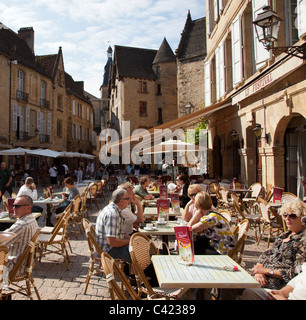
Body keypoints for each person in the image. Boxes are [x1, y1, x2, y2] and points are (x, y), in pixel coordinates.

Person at [241, 198, 306, 299]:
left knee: (243, 289)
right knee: (227, 284)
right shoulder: (284, 235)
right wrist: (259, 271)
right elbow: (265, 255)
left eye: (292, 216)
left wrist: (266, 271)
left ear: (302, 218)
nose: (287, 218)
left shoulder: (303, 240)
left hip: (276, 283)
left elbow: (297, 272)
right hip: (260, 275)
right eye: (285, 215)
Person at [3, 195, 39, 280]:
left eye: (17, 206)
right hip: (24, 265)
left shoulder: (21, 225)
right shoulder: (32, 219)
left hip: (13, 267)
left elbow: (2, 242)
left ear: (27, 208)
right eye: (13, 205)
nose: (14, 208)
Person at [95, 188, 132, 263]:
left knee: (139, 245)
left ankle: (134, 271)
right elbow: (112, 242)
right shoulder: (112, 214)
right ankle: (139, 272)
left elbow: (120, 232)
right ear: (121, 201)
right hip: (108, 250)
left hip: (111, 246)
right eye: (127, 199)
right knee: (137, 253)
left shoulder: (115, 210)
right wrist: (130, 241)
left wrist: (133, 239)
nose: (129, 201)